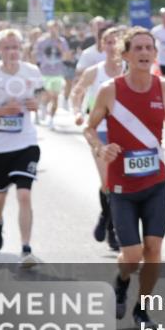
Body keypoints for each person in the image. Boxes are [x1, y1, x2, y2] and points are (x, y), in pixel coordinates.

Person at [84, 27, 165, 329]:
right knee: (131, 257)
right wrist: (101, 147)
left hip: (156, 183)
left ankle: (142, 309)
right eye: (139, 48)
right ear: (126, 55)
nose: (145, 53)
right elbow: (89, 128)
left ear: (155, 54)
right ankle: (121, 281)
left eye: (149, 48)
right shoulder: (110, 90)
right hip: (122, 186)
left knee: (154, 251)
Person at [0, 29, 45, 267]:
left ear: (21, 49)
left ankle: (25, 249)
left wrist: (37, 103)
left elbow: (41, 95)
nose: (12, 52)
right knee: (0, 193)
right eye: (7, 47)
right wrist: (2, 111)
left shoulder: (31, 71)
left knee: (24, 194)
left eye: (16, 47)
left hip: (26, 143)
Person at [72, 25, 124, 251]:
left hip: (124, 132)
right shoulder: (95, 71)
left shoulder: (129, 71)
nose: (112, 46)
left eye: (116, 41)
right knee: (107, 181)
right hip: (99, 129)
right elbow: (77, 92)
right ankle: (112, 228)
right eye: (108, 42)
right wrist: (77, 113)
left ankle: (105, 216)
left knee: (121, 181)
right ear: (102, 45)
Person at [34, 20, 71, 130]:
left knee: (55, 97)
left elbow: (67, 57)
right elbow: (37, 56)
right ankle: (43, 106)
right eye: (51, 28)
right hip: (45, 72)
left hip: (57, 72)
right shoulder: (42, 41)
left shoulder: (62, 41)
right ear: (48, 29)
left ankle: (51, 119)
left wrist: (60, 48)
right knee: (48, 94)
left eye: (55, 28)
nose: (53, 30)